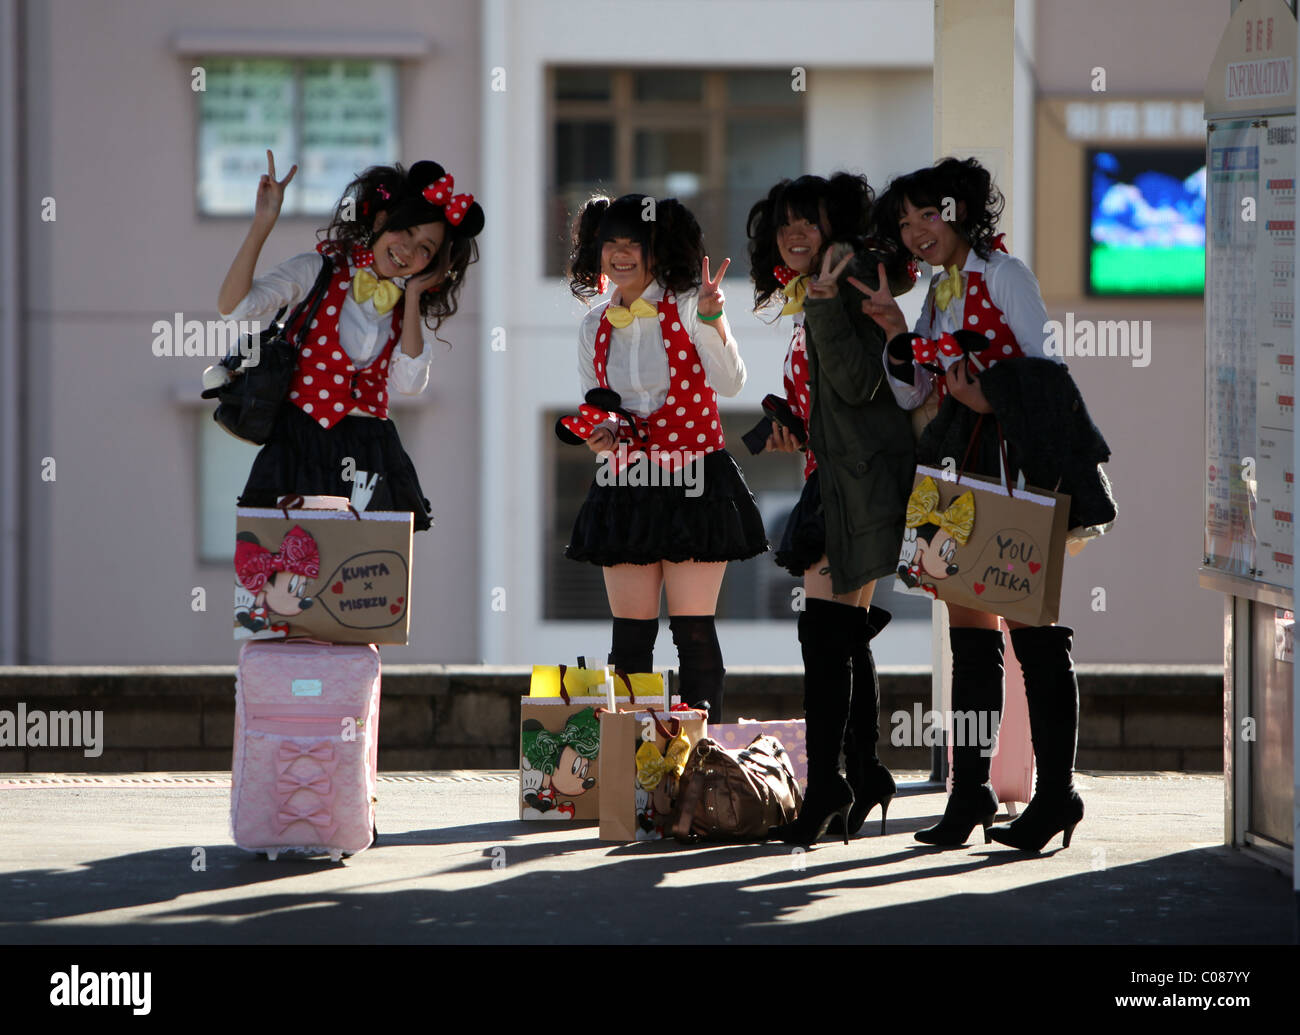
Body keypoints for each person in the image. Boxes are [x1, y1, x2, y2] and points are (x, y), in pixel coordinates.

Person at [858, 156, 1115, 852]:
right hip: (955, 466)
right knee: (967, 636)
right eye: (905, 223)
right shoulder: (939, 292)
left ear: (961, 209)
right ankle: (969, 791)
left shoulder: (1006, 275)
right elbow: (915, 393)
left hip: (1014, 468)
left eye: (927, 215)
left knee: (1032, 633)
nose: (916, 232)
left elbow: (1049, 374)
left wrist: (987, 393)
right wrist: (892, 330)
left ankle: (1057, 793)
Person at [746, 173, 917, 845]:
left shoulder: (847, 278)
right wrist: (795, 427)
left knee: (823, 633)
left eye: (808, 221)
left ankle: (829, 786)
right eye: (784, 222)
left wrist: (819, 302)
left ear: (834, 227)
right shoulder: (817, 288)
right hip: (839, 471)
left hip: (862, 480)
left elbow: (860, 377)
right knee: (841, 632)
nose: (794, 233)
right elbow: (837, 397)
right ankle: (865, 770)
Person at [561, 194, 768, 720]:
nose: (622, 253)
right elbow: (598, 406)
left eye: (636, 243)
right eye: (612, 242)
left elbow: (731, 381)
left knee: (693, 631)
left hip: (695, 476)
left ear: (659, 250)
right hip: (625, 481)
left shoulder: (688, 302)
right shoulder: (593, 326)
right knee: (630, 640)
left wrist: (714, 318)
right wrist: (600, 434)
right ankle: (631, 773)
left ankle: (701, 768)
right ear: (597, 250)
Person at [212, 151, 485, 528]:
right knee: (290, 565)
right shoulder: (318, 270)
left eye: (426, 248)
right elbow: (234, 306)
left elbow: (408, 384)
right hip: (300, 440)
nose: (408, 249)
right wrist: (263, 223)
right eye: (406, 230)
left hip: (370, 450)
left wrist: (414, 296)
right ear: (381, 218)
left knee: (365, 576)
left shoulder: (406, 306)